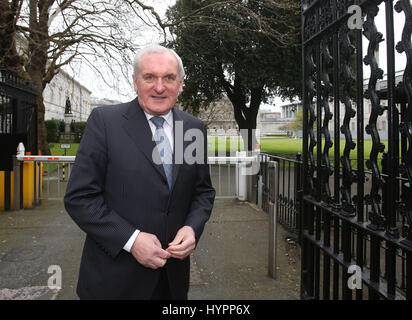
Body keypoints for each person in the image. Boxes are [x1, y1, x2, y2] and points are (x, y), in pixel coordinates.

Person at [64, 44, 215, 300]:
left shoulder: (193, 128)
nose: (159, 87)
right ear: (135, 82)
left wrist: (192, 228)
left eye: (169, 77)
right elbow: (80, 198)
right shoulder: (105, 122)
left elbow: (202, 192)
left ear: (180, 84)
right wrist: (131, 240)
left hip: (172, 281)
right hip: (114, 282)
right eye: (149, 77)